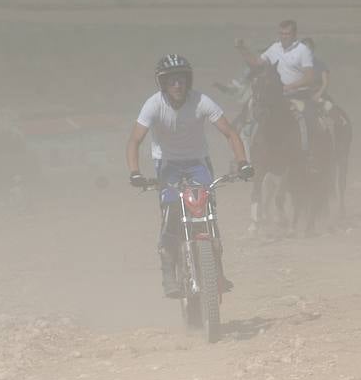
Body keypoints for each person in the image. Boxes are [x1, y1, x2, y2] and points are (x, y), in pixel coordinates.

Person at [127, 54, 253, 298]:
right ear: (163, 84)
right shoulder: (153, 104)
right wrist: (135, 173)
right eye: (172, 81)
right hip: (168, 164)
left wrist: (243, 163)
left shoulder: (201, 101)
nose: (178, 85)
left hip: (197, 163)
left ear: (188, 81)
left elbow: (229, 132)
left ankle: (216, 270)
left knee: (206, 212)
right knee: (173, 209)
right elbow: (134, 140)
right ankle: (168, 272)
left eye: (182, 80)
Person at [235, 19, 320, 149]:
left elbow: (309, 78)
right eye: (281, 33)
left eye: (287, 33)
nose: (284, 36)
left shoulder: (303, 50)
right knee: (253, 117)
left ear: (294, 34)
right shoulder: (274, 48)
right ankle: (246, 154)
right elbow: (257, 63)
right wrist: (243, 50)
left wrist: (287, 87)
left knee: (310, 120)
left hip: (298, 96)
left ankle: (311, 154)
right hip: (276, 97)